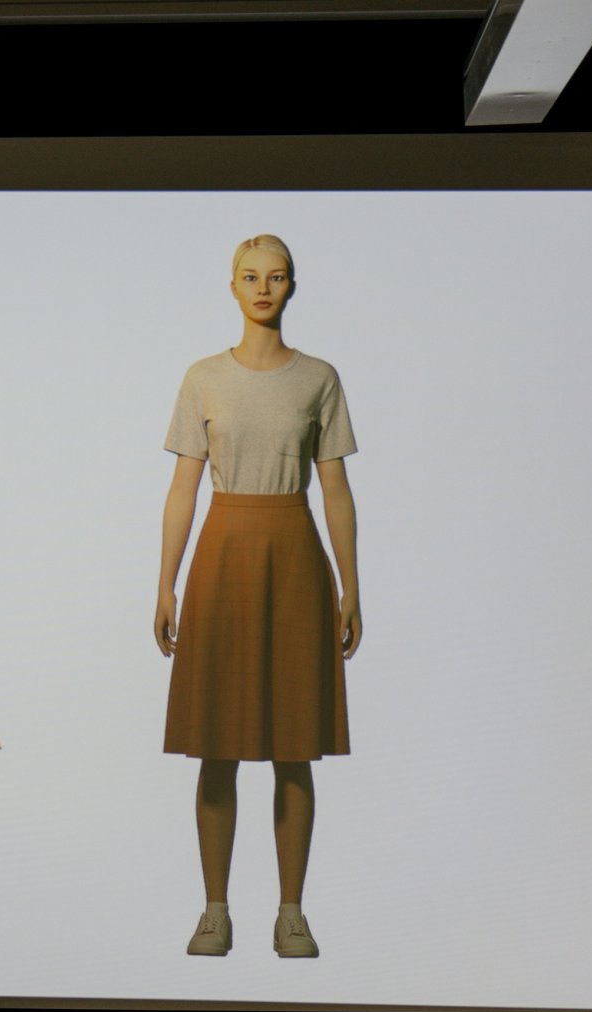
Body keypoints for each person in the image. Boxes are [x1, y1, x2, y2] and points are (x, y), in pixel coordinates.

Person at [154, 235, 363, 960]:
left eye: (275, 277)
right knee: (217, 743)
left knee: (293, 746)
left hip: (295, 554)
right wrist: (165, 582)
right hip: (222, 554)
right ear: (233, 287)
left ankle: (291, 913)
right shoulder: (203, 377)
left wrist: (352, 585)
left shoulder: (320, 378)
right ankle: (215, 911)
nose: (263, 288)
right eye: (250, 277)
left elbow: (336, 490)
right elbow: (182, 489)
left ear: (292, 286)